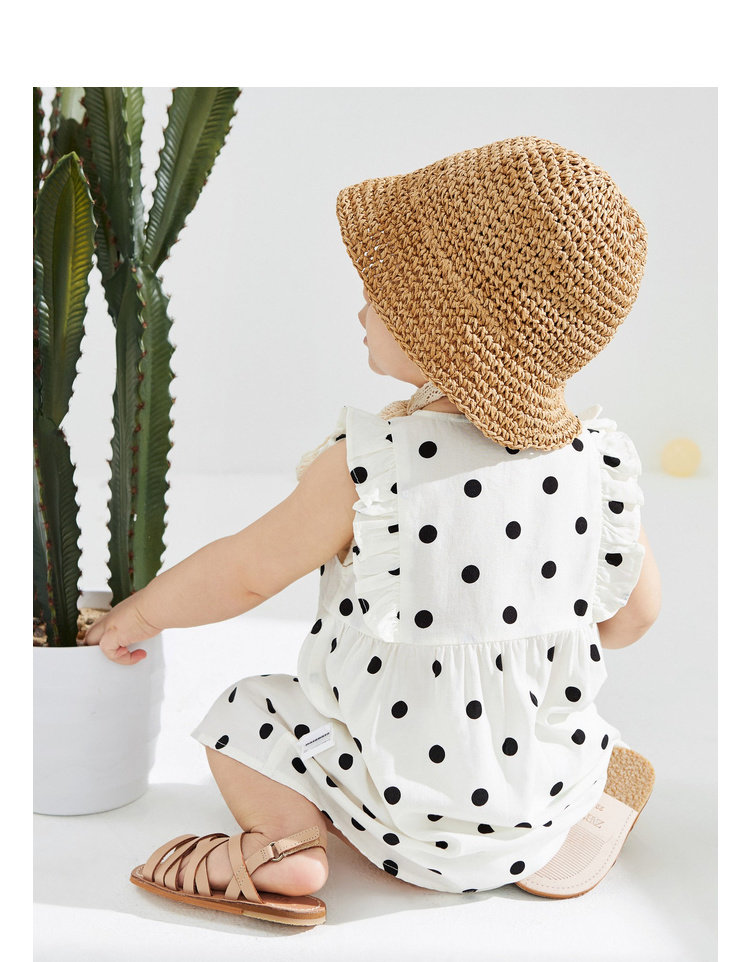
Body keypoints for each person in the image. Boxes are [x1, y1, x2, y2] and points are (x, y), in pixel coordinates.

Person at [85, 135, 662, 925]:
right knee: (580, 733)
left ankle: (288, 843)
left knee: (245, 713)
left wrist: (141, 613)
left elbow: (246, 573)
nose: (361, 307)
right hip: (541, 803)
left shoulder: (374, 464)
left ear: (445, 325)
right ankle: (562, 818)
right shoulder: (599, 464)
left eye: (381, 291)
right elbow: (630, 621)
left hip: (394, 816)